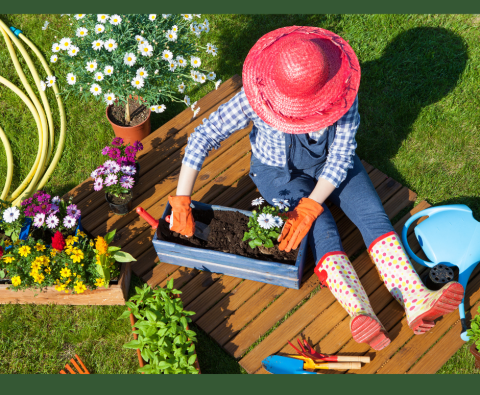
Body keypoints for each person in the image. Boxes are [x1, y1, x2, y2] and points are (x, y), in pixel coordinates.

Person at [167, 26, 464, 350]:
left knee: (372, 215)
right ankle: (360, 312)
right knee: (322, 230)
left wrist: (311, 205)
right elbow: (204, 136)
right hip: (278, 176)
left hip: (332, 168)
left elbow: (340, 157)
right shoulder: (258, 96)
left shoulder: (341, 95)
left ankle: (416, 298)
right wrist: (182, 199)